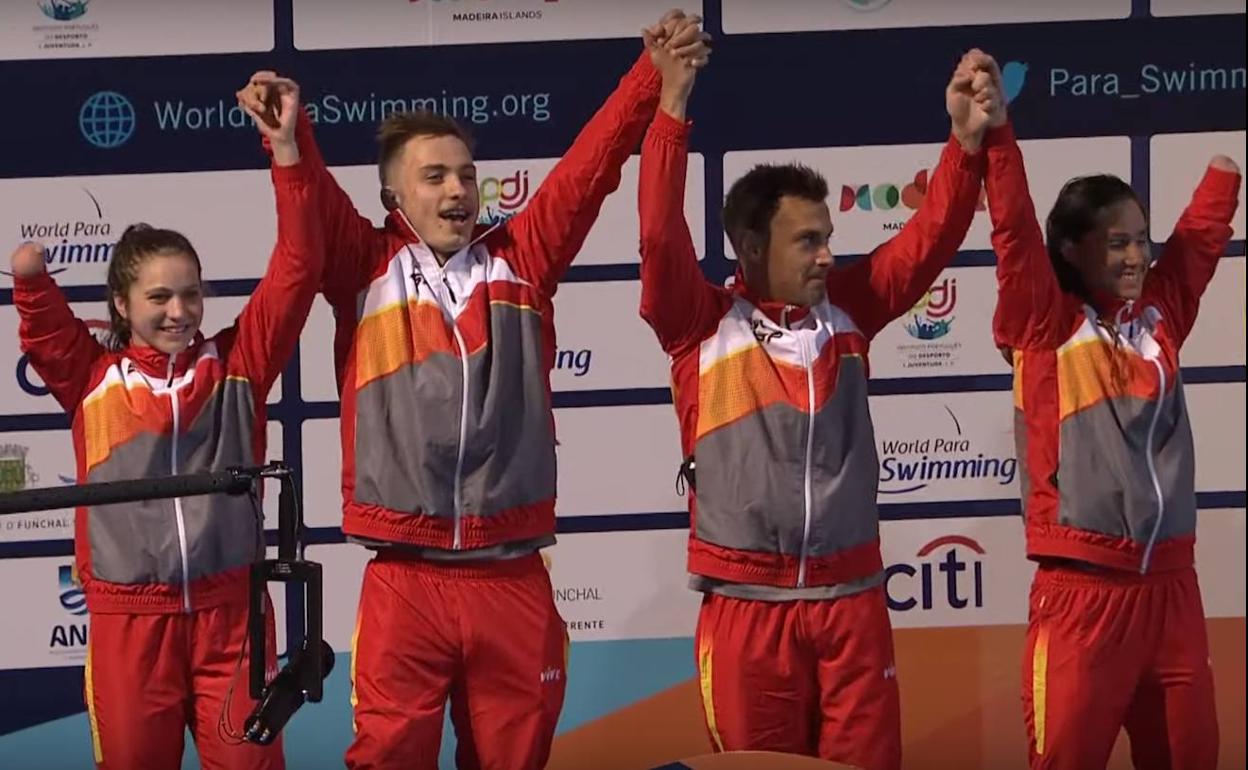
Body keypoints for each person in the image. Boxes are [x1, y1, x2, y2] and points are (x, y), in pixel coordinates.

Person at [235, 11, 711, 770]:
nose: (458, 188)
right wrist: (287, 142)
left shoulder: (524, 257)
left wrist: (650, 76)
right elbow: (314, 206)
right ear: (396, 195)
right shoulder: (364, 267)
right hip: (405, 581)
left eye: (465, 174)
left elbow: (592, 166)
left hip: (511, 575)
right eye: (435, 176)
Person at [636, 43, 1000, 769]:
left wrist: (964, 145)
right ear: (748, 246)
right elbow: (656, 235)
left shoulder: (851, 313)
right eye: (808, 241)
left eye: (828, 238)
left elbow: (929, 241)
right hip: (746, 611)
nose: (828, 256)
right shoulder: (699, 325)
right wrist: (670, 109)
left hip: (854, 604)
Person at [11, 79, 324, 770]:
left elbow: (300, 267)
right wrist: (32, 286)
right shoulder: (93, 379)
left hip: (231, 618)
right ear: (121, 304)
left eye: (191, 293)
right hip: (131, 627)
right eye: (159, 296)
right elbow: (47, 334)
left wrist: (286, 149)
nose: (180, 310)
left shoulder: (239, 364)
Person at [974, 49, 1242, 770]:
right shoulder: (1043, 324)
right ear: (1072, 248)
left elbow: (1200, 247)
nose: (1136, 257)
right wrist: (997, 135)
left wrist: (1224, 175)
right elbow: (1012, 229)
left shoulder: (1161, 315)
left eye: (1141, 240)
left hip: (1173, 592)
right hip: (1081, 597)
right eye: (1117, 242)